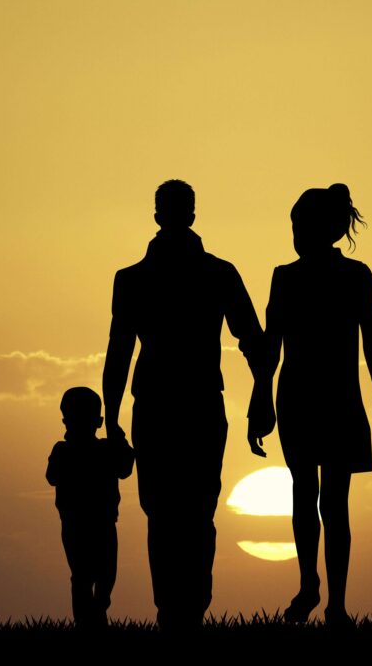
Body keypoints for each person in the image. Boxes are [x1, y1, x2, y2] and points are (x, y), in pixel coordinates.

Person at [102, 179, 264, 630]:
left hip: (174, 406)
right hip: (183, 407)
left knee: (174, 512)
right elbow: (253, 341)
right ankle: (183, 610)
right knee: (184, 512)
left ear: (159, 215)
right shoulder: (213, 273)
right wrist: (261, 393)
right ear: (190, 215)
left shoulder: (142, 278)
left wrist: (112, 418)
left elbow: (119, 352)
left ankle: (180, 610)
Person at [248, 183, 372, 627]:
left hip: (333, 400)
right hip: (302, 398)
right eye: (292, 225)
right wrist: (259, 403)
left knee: (331, 502)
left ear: (325, 228)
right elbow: (270, 348)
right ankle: (312, 586)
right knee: (309, 495)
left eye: (300, 225)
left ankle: (333, 600)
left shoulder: (355, 276)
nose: (295, 233)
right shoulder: (287, 276)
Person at [46, 386, 135, 628]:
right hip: (77, 524)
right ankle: (87, 621)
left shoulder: (105, 450)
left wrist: (119, 441)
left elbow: (125, 467)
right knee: (83, 576)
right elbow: (52, 476)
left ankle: (97, 611)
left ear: (98, 421)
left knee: (105, 574)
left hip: (102, 523)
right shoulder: (63, 451)